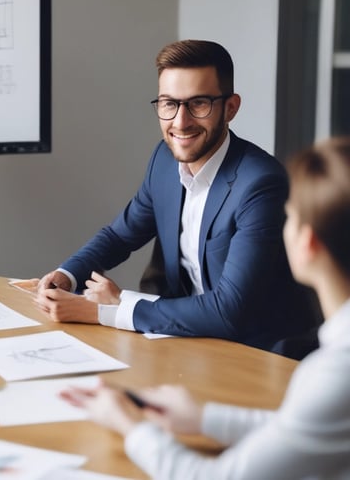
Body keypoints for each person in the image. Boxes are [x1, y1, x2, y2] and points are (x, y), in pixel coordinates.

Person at [60, 136, 350, 478]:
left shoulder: (334, 372)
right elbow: (301, 425)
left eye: (289, 218)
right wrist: (202, 418)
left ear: (308, 242)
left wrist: (130, 424)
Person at [35, 39, 320, 355]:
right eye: (169, 104)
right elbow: (120, 235)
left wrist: (106, 312)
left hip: (258, 352)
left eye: (198, 103)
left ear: (231, 107)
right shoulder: (165, 161)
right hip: (186, 341)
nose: (180, 122)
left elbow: (230, 310)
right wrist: (66, 275)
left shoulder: (261, 184)